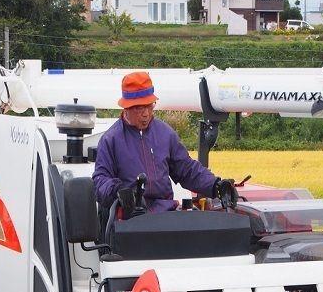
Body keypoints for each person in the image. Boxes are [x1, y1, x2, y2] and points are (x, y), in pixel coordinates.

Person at [92, 71, 237, 213]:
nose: (146, 113)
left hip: (164, 217)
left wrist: (215, 185)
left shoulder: (165, 134)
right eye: (140, 108)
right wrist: (117, 191)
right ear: (126, 108)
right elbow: (100, 181)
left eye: (149, 105)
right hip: (129, 218)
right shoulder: (110, 140)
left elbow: (187, 169)